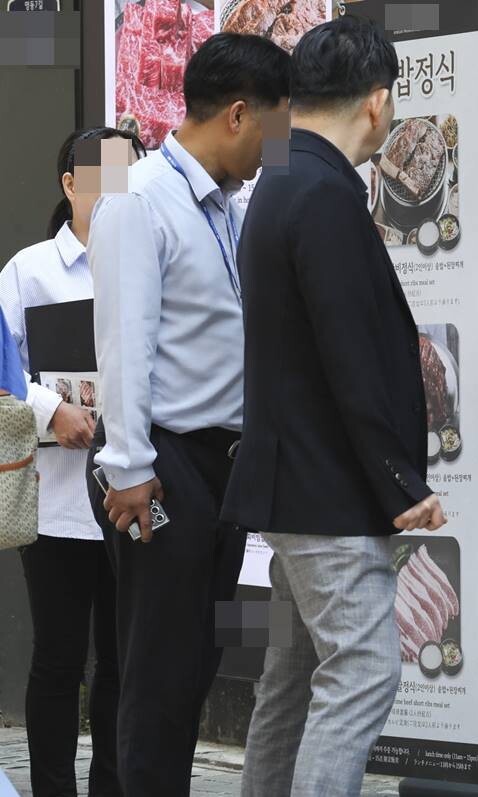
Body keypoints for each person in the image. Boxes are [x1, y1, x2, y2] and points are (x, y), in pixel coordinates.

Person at [224, 16, 445, 796]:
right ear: (379, 103)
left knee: (291, 679)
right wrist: (401, 484)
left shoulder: (285, 176)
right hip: (326, 493)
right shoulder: (318, 190)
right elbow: (351, 360)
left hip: (293, 483)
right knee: (362, 672)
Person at [85, 33, 289, 796]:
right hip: (161, 465)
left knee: (196, 661)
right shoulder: (138, 198)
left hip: (220, 468)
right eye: (278, 126)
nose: (280, 147)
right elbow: (125, 346)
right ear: (239, 115)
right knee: (159, 671)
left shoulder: (229, 205)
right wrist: (131, 469)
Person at [0, 126, 145, 797]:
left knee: (123, 661)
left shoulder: (149, 261)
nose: (123, 192)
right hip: (57, 499)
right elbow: (2, 372)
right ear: (70, 185)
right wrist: (50, 409)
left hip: (134, 492)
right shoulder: (29, 270)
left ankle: (111, 787)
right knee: (60, 661)